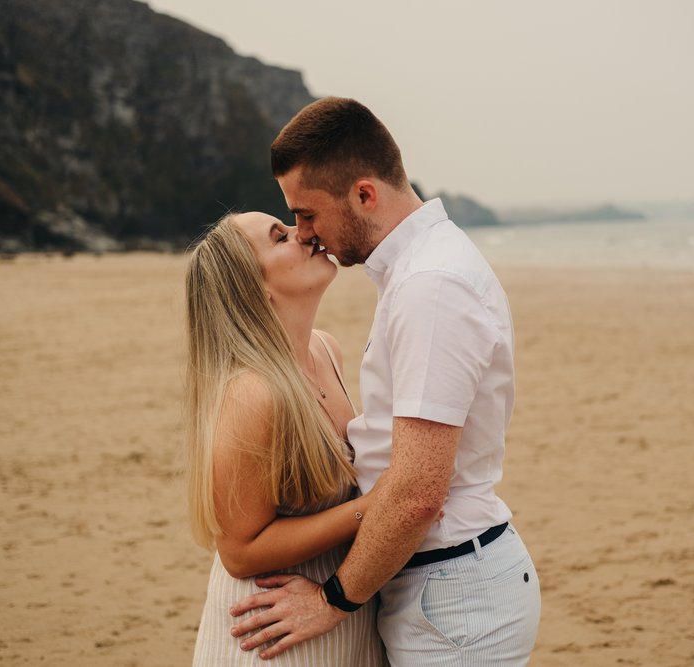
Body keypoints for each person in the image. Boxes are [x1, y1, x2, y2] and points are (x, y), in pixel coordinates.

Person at [229, 97, 541, 665]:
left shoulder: (431, 286)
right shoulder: (417, 273)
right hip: (439, 587)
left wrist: (333, 602)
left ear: (364, 195)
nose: (306, 234)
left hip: (451, 597)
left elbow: (420, 491)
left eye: (307, 213)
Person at [184, 212, 388, 666]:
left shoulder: (325, 349)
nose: (306, 232)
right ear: (256, 288)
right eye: (282, 237)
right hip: (273, 630)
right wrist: (372, 509)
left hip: (333, 609)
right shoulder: (253, 393)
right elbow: (239, 550)